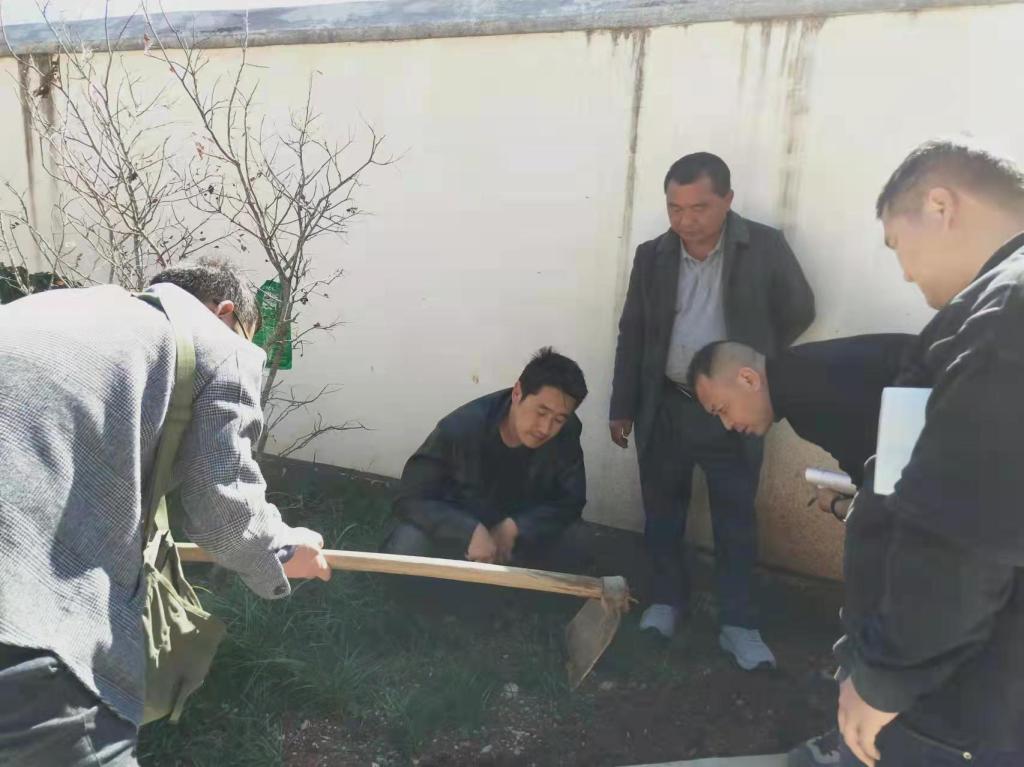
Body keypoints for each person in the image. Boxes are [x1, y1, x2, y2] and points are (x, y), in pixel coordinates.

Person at [0, 261, 332, 767]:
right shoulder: (217, 341)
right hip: (23, 627)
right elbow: (226, 514)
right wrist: (284, 551)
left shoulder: (46, 308)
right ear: (225, 313)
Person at [833, 139, 1024, 766]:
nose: (905, 273)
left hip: (961, 700)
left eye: (897, 244)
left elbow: (963, 537)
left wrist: (886, 677)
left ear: (941, 206)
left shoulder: (1004, 313)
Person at [610, 151, 815, 668]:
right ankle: (666, 602)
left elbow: (799, 308)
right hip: (666, 402)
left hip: (731, 410)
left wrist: (756, 363)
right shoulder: (653, 255)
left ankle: (738, 624)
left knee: (735, 518)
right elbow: (633, 332)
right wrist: (622, 404)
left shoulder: (763, 247)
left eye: (699, 208)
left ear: (727, 200)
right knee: (662, 511)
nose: (685, 221)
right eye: (675, 208)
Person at [383, 347, 588, 571]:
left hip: (518, 535)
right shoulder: (460, 428)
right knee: (408, 544)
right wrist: (467, 529)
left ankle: (524, 587)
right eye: (541, 412)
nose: (545, 428)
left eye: (558, 419)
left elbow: (571, 501)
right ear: (517, 393)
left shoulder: (566, 433)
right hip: (458, 532)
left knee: (575, 541)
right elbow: (410, 497)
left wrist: (517, 527)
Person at [687, 334, 914, 520]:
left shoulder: (806, 398)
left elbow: (887, 498)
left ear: (748, 379)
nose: (727, 424)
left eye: (723, 409)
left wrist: (836, 505)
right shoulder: (796, 373)